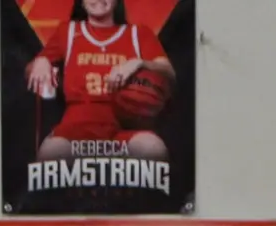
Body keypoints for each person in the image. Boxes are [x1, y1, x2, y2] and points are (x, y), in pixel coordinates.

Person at [25, 0, 174, 165]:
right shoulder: (68, 32)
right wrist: (41, 61)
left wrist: (139, 63)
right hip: (75, 127)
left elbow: (169, 72)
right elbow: (30, 71)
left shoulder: (138, 34)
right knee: (51, 153)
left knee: (153, 149)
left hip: (125, 126)